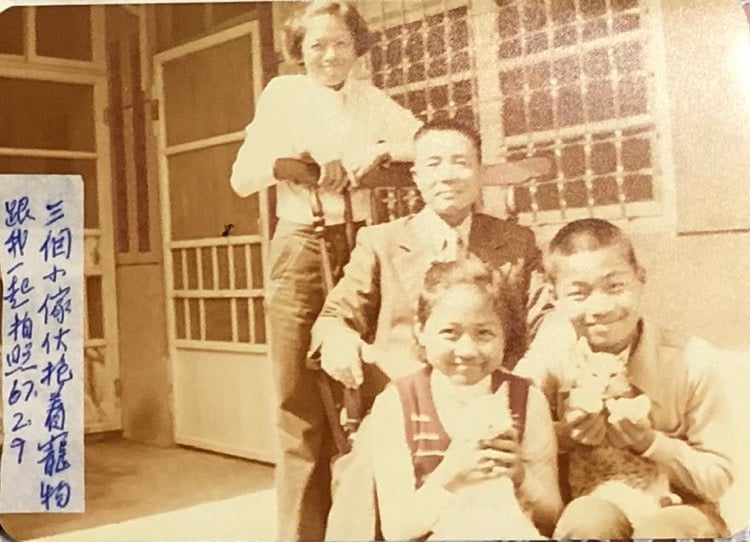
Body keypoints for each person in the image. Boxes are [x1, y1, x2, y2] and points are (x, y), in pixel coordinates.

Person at [228, 2, 421, 540]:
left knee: (372, 387)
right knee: (300, 402)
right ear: (299, 51)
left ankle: (367, 527)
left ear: (357, 48)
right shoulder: (284, 95)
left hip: (364, 246)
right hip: (301, 249)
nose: (329, 55)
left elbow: (425, 143)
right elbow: (243, 177)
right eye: (316, 45)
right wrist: (306, 152)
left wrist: (380, 150)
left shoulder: (370, 99)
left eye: (340, 44)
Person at [514, 218, 734, 538]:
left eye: (615, 287)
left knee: (663, 532)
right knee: (586, 522)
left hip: (681, 504)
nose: (600, 307)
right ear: (554, 295)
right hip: (594, 500)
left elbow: (718, 478)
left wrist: (650, 442)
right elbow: (512, 420)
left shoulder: (690, 361)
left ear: (640, 278)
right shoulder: (552, 352)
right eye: (579, 294)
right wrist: (565, 435)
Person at [312, 118, 549, 400]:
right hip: (404, 397)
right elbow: (334, 317)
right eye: (434, 164)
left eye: (461, 163)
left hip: (495, 397)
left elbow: (545, 317)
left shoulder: (516, 241)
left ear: (480, 173)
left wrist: (532, 370)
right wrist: (338, 339)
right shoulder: (381, 242)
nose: (447, 176)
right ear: (417, 176)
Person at [369, 256, 562, 540]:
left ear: (505, 335)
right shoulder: (397, 403)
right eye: (450, 333)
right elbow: (397, 530)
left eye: (484, 333)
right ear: (421, 331)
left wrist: (520, 476)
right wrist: (451, 474)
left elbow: (552, 515)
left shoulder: (526, 399)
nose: (467, 350)